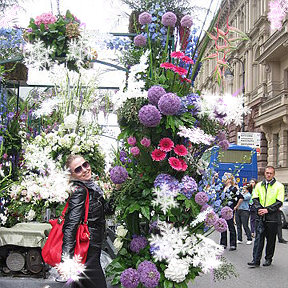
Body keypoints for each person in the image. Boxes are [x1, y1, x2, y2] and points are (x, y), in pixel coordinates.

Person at [61, 154, 109, 288]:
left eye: (85, 165)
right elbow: (70, 226)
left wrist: (117, 189)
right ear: (72, 175)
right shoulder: (80, 191)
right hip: (87, 248)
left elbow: (107, 210)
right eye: (78, 169)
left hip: (91, 246)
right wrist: (67, 259)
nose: (84, 170)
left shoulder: (92, 188)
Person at [248, 166, 285, 267]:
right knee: (258, 239)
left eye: (271, 173)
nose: (268, 175)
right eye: (267, 173)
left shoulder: (279, 186)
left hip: (272, 217)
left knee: (270, 240)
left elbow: (279, 202)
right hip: (260, 216)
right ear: (265, 173)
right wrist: (259, 209)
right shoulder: (259, 185)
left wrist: (267, 210)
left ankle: (268, 258)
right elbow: (254, 198)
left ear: (274, 174)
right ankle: (256, 260)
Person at [220, 173, 244, 251]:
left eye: (226, 179)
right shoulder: (223, 188)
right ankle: (223, 243)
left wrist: (236, 206)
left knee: (231, 226)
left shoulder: (233, 188)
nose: (224, 180)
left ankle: (233, 244)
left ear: (230, 180)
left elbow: (241, 197)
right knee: (223, 226)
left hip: (229, 210)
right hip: (222, 209)